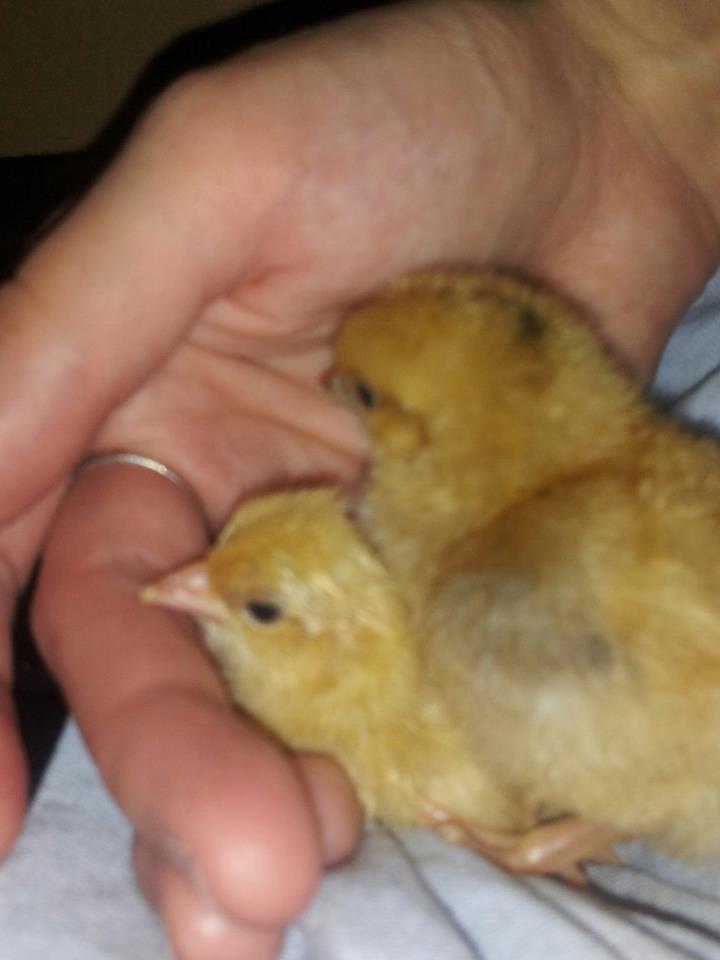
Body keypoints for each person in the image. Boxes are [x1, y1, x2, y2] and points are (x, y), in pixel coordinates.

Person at [1, 1, 719, 957]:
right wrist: (613, 58)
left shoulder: (493, 583)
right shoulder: (564, 499)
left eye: (363, 392)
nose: (336, 387)